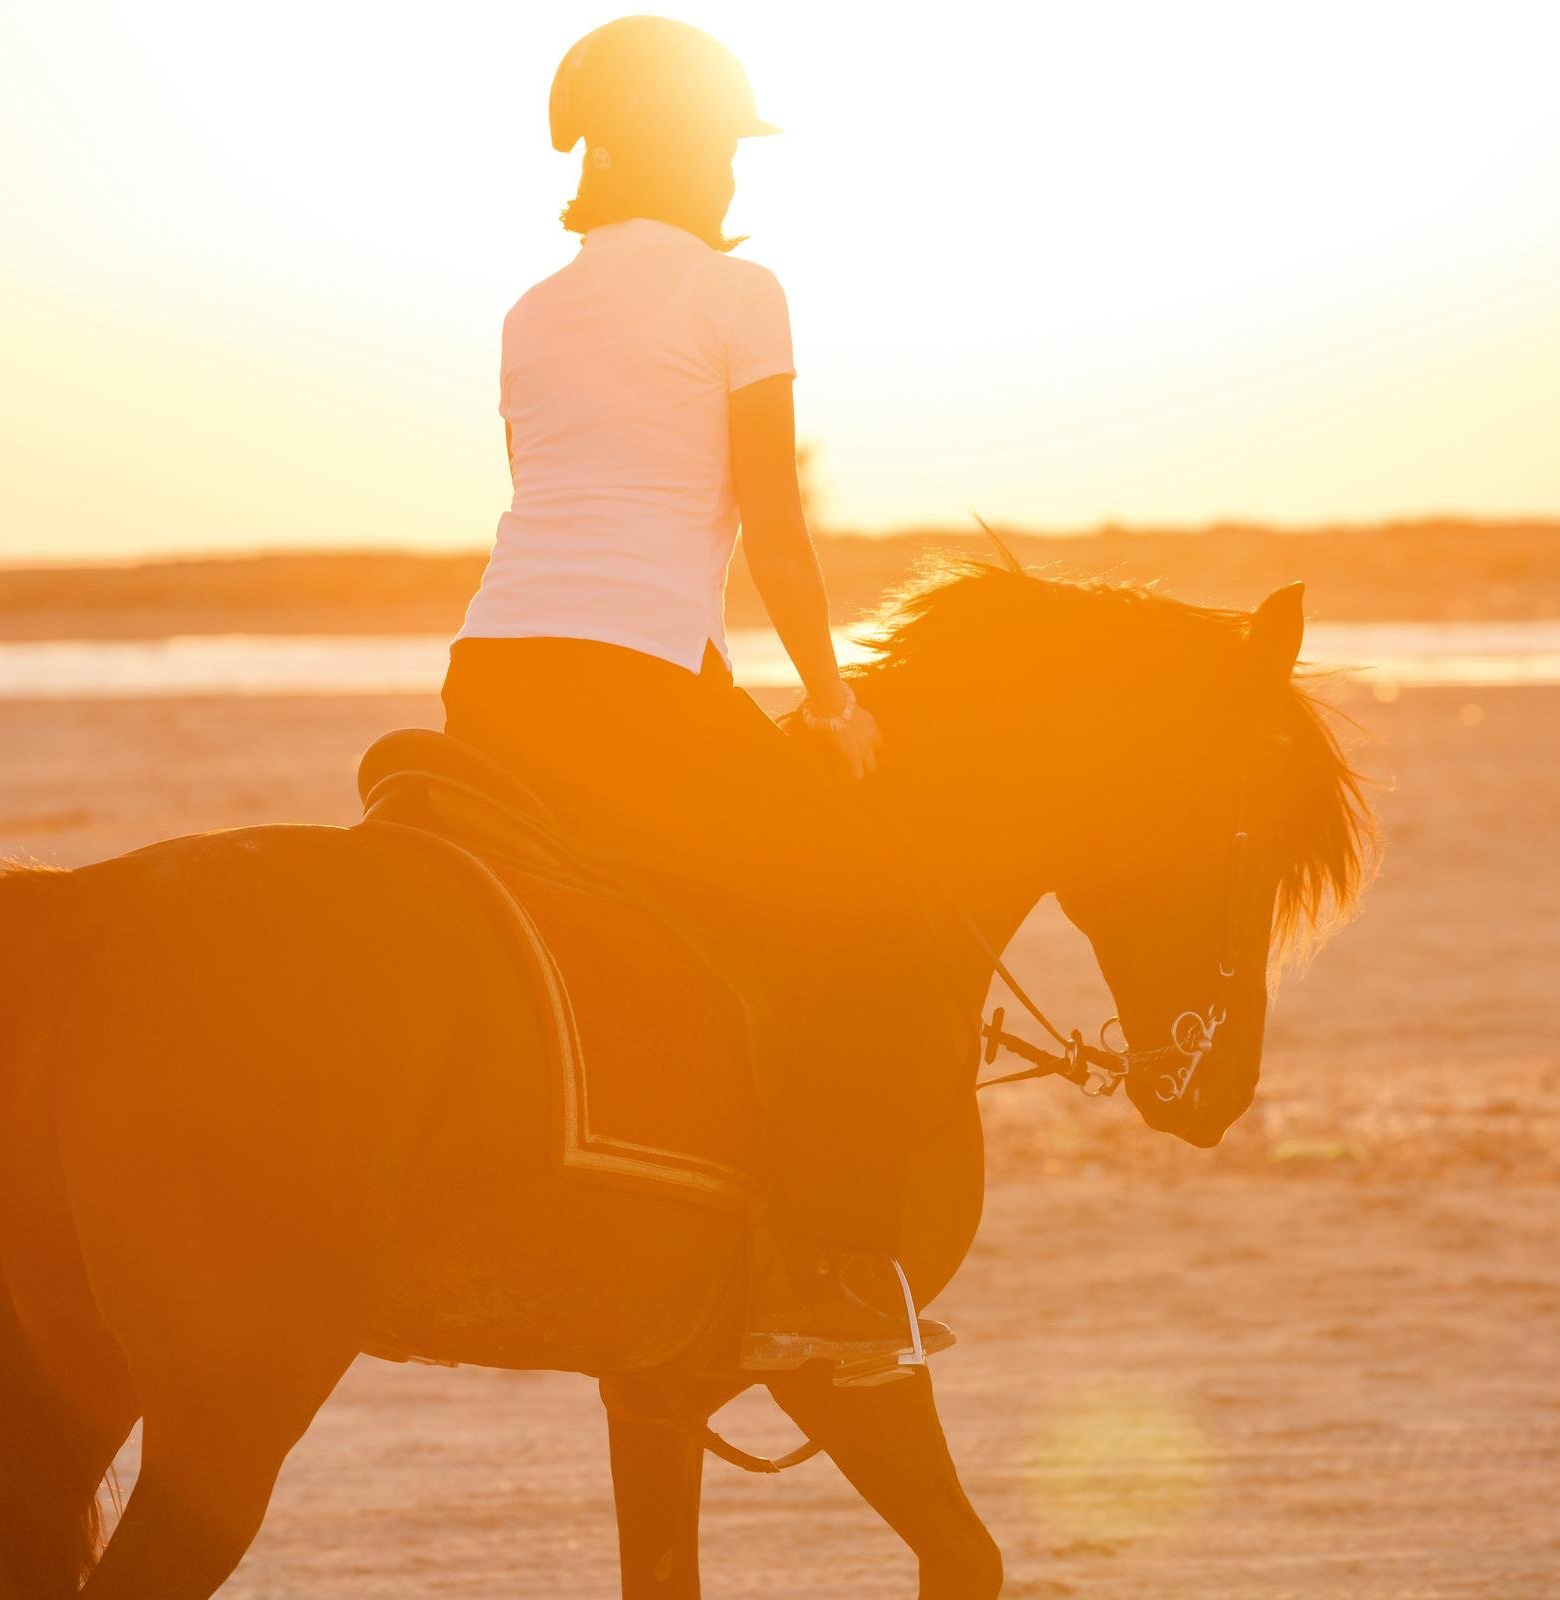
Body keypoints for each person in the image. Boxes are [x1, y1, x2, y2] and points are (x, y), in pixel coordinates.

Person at [441, 17, 959, 1366]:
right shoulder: (742, 295)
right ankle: (820, 1278)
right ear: (688, 149)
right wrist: (835, 707)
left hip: (495, 674)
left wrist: (719, 687)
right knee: (875, 928)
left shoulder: (529, 311)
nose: (735, 174)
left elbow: (571, 519)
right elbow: (767, 527)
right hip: (628, 685)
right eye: (725, 145)